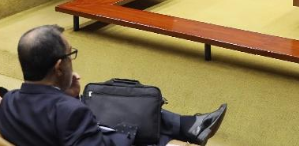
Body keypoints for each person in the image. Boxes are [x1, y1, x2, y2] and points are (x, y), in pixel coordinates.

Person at [0, 25, 227, 146]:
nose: (72, 61)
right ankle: (186, 128)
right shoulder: (71, 112)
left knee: (106, 102)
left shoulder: (9, 102)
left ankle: (188, 126)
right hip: (111, 139)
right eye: (70, 55)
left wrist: (67, 97)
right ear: (59, 67)